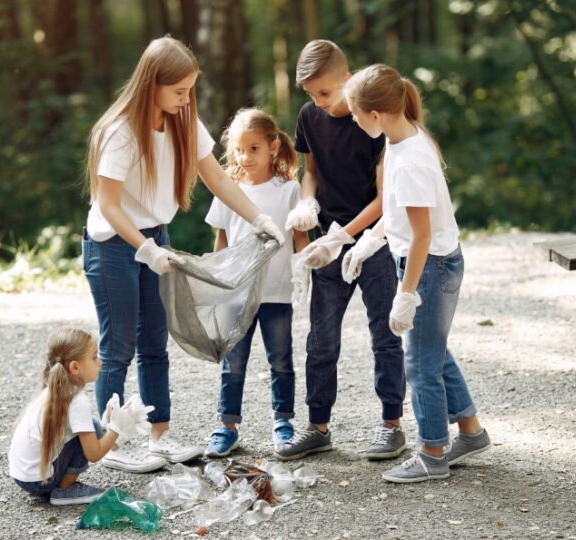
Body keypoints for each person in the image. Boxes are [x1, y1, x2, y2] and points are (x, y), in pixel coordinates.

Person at [82, 37, 285, 473]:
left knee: (155, 342)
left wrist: (258, 218)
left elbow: (217, 178)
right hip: (113, 243)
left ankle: (160, 438)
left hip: (155, 235)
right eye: (178, 91)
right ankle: (109, 443)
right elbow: (109, 206)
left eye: (190, 90)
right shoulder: (118, 132)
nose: (186, 99)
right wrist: (146, 249)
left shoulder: (183, 121)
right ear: (151, 84)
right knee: (118, 346)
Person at [343, 63, 490, 483]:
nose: (353, 120)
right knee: (434, 351)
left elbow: (422, 236)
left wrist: (406, 294)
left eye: (355, 114)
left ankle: (432, 453)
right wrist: (368, 242)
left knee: (420, 364)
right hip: (424, 260)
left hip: (429, 267)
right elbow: (398, 213)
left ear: (375, 114)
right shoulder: (400, 140)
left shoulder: (409, 159)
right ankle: (471, 431)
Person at [276, 40, 407, 461]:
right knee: (321, 338)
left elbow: (385, 199)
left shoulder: (372, 120)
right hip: (328, 243)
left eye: (325, 94)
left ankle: (391, 424)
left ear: (347, 80)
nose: (318, 102)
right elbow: (309, 172)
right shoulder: (310, 116)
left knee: (384, 334)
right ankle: (318, 427)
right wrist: (307, 202)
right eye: (311, 95)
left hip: (374, 243)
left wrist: (343, 237)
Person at [202, 108, 309, 458]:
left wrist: (304, 270)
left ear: (273, 147)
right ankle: (227, 426)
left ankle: (283, 423)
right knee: (233, 363)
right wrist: (217, 281)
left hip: (277, 293)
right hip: (236, 295)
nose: (244, 157)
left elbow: (301, 239)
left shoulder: (289, 190)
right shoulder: (227, 190)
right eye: (238, 149)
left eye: (254, 149)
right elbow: (221, 241)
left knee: (280, 360)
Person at [8, 328, 151, 505]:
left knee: (91, 426)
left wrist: (112, 423)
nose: (100, 362)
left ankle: (60, 484)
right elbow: (93, 454)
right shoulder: (77, 400)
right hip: (39, 482)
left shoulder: (55, 390)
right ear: (75, 367)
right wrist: (116, 428)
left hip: (23, 476)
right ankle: (64, 489)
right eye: (94, 357)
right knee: (88, 431)